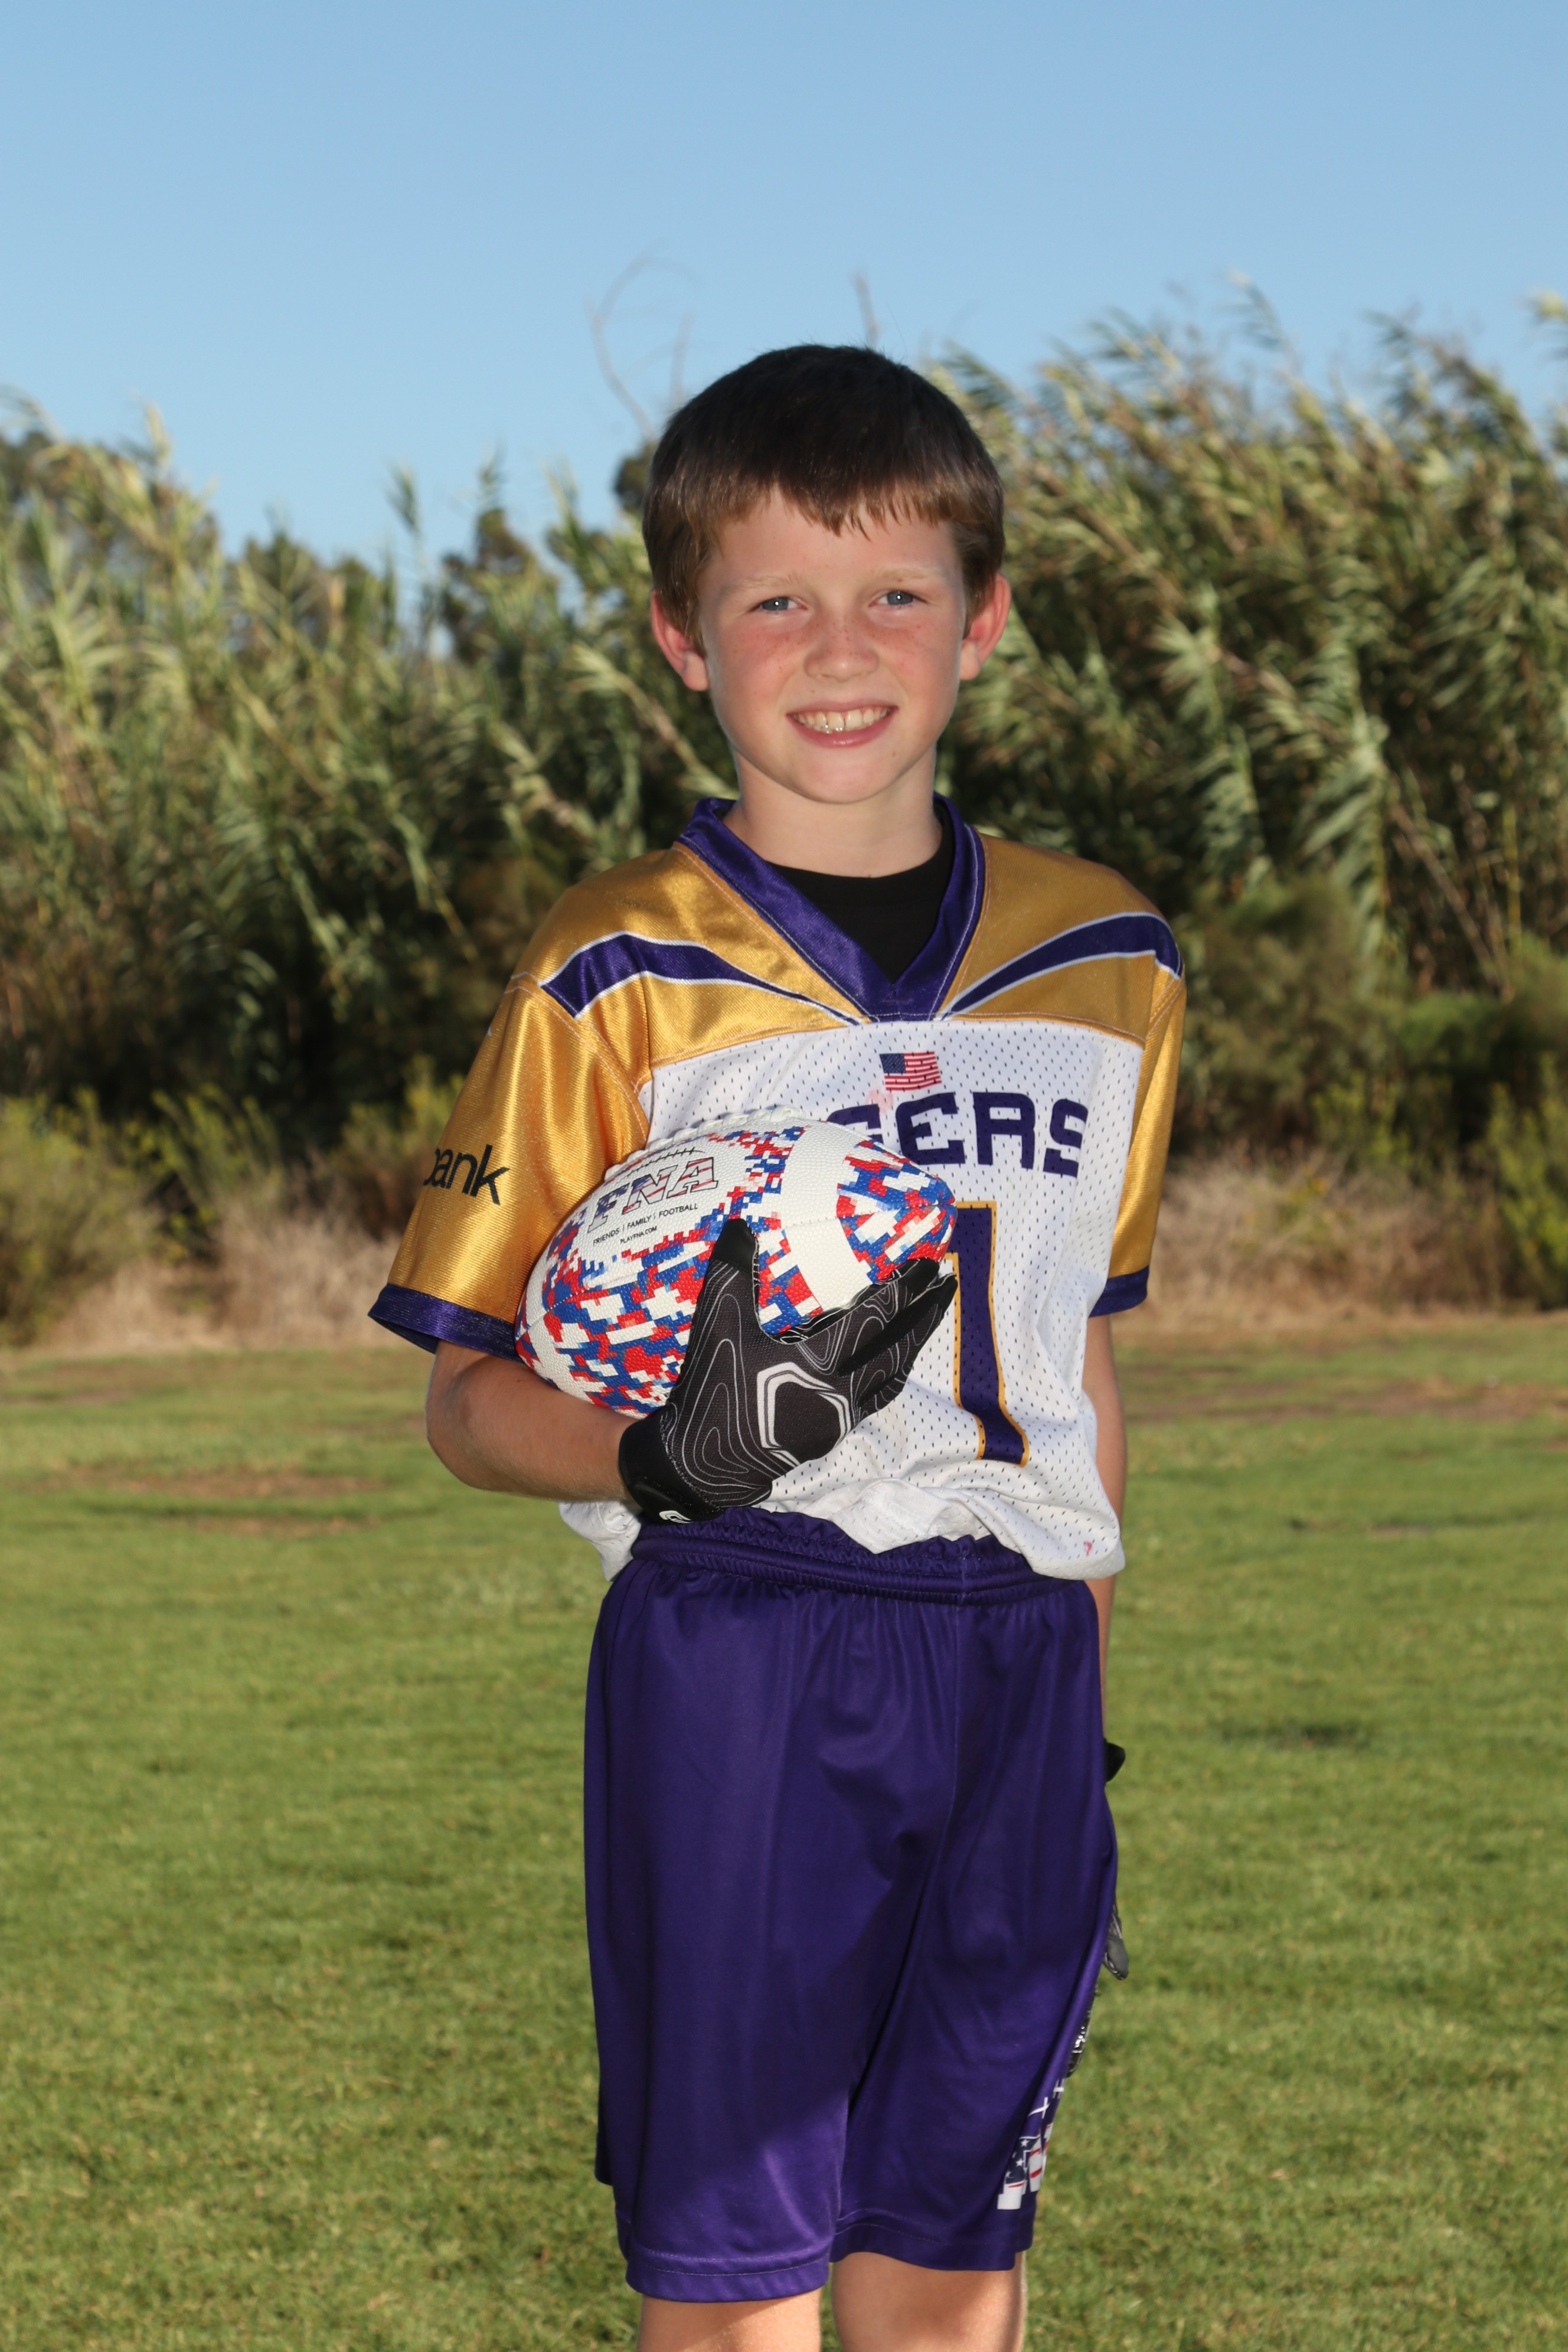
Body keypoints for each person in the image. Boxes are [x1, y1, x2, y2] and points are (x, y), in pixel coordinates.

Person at [371, 345, 1184, 2352]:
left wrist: (1081, 1680)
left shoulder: (1111, 958)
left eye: (897, 590)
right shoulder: (615, 965)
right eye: (774, 600)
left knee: (955, 2270)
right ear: (682, 637)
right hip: (745, 1633)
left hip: (1018, 1655)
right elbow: (464, 1403)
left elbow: (1080, 1365)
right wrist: (663, 1457)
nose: (841, 647)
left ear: (982, 618)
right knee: (737, 2290)